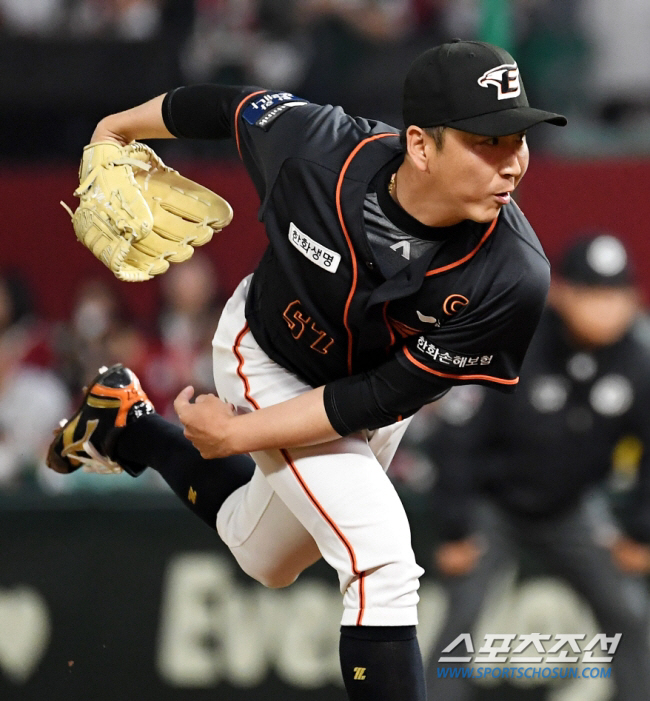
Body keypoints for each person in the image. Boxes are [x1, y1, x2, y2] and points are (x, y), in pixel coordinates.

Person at [46, 39, 566, 700]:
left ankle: (127, 428)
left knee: (263, 556)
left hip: (368, 399)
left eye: (518, 137)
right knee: (380, 557)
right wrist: (115, 128)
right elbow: (224, 106)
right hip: (265, 353)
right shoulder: (319, 147)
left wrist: (235, 439)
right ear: (421, 145)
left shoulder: (514, 276)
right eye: (486, 142)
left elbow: (379, 395)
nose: (513, 161)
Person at [425, 233, 650, 701]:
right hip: (494, 507)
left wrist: (640, 533)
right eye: (593, 295)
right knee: (458, 621)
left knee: (630, 613)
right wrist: (454, 530)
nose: (606, 309)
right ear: (564, 294)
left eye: (617, 296)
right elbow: (457, 437)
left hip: (572, 510)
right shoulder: (516, 342)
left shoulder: (637, 362)